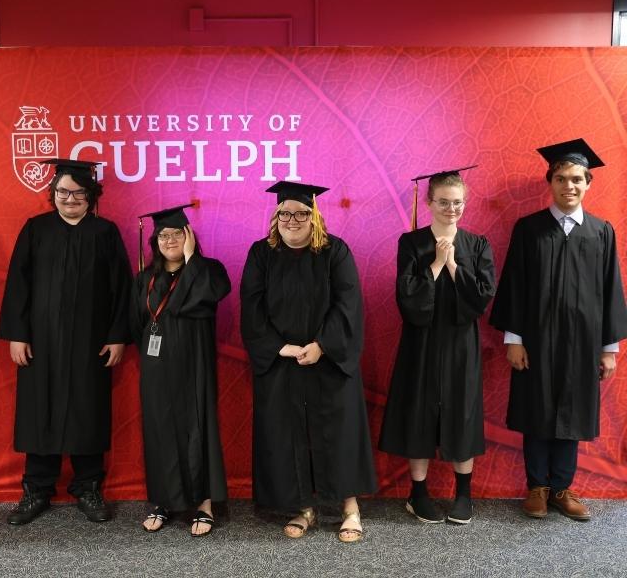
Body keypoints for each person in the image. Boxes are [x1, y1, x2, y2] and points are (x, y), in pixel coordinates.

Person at [489, 138, 627, 521]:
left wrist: (609, 348)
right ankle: (537, 487)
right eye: (562, 178)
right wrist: (513, 339)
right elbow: (514, 283)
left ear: (588, 184)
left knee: (571, 413)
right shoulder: (530, 229)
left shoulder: (601, 232)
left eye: (577, 179)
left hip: (583, 344)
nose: (569, 186)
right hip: (535, 340)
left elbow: (610, 288)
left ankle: (562, 488)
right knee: (537, 409)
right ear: (550, 182)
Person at [240, 182, 377, 543]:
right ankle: (303, 508)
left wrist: (322, 345)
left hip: (329, 360)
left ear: (314, 216)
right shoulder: (261, 254)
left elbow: (348, 304)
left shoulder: (334, 251)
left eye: (301, 213)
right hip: (282, 362)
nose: (292, 220)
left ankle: (350, 509)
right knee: (289, 434)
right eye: (285, 213)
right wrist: (279, 347)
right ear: (276, 217)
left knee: (339, 432)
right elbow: (251, 307)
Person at [0, 158, 132, 525]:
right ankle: (37, 489)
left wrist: (118, 335)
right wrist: (17, 334)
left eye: (78, 192)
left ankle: (88, 487)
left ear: (91, 196)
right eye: (62, 192)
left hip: (91, 343)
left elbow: (122, 288)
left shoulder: (105, 232)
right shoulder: (36, 230)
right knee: (41, 411)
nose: (69, 198)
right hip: (41, 343)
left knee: (87, 410)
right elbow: (18, 286)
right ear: (52, 194)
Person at [378, 167, 495, 525]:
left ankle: (464, 495)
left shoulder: (477, 245)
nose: (451, 209)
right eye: (444, 202)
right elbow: (407, 298)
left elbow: (481, 299)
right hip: (422, 341)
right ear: (429, 202)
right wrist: (437, 264)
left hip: (461, 343)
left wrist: (457, 266)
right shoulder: (410, 243)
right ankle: (418, 494)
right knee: (419, 411)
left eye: (457, 202)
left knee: (462, 411)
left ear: (465, 202)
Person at [130, 204, 231, 537]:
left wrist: (191, 259)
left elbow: (204, 297)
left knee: (196, 428)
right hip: (156, 368)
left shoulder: (208, 270)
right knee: (159, 430)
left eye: (176, 233)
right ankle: (162, 500)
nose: (169, 239)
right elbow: (137, 322)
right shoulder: (146, 278)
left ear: (189, 236)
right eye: (163, 235)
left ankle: (203, 504)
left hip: (194, 365)